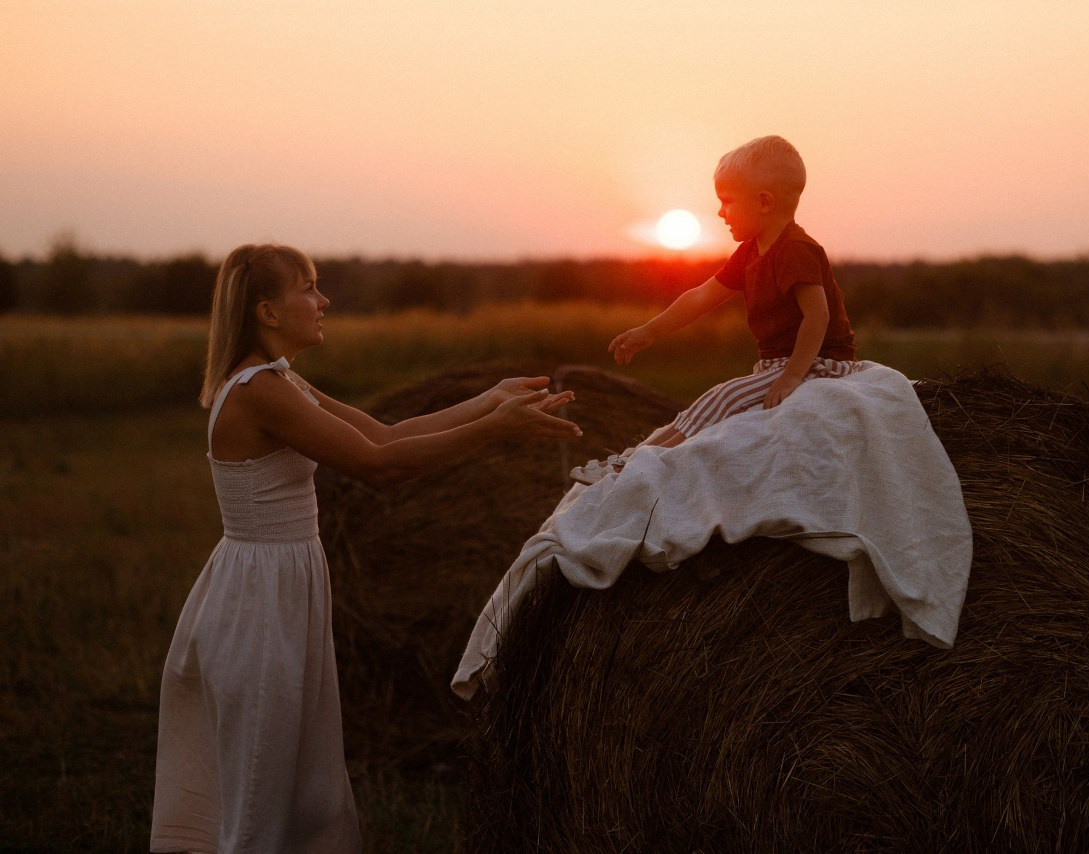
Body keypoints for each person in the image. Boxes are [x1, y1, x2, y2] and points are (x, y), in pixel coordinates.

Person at [150, 243, 580, 853]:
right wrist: (495, 429)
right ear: (268, 312)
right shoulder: (259, 389)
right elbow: (380, 466)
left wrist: (490, 399)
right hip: (259, 600)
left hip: (280, 587)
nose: (323, 301)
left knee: (292, 774)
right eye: (308, 288)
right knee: (263, 780)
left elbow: (384, 433)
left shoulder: (280, 380)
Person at [571, 135, 857, 484]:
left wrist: (792, 376)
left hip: (819, 363)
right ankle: (629, 460)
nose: (720, 212)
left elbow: (818, 315)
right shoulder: (750, 251)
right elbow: (701, 296)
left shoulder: (796, 249)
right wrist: (650, 331)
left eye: (727, 201)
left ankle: (634, 468)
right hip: (779, 366)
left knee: (723, 396)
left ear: (763, 202)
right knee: (707, 406)